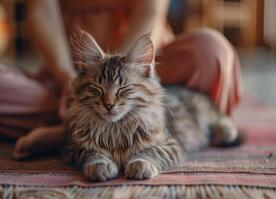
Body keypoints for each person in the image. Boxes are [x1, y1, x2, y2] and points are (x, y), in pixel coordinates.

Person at [0, 0, 242, 159]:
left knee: (213, 52)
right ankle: (81, 128)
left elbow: (152, 11)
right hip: (76, 74)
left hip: (141, 68)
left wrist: (129, 73)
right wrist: (67, 77)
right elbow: (40, 11)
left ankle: (73, 133)